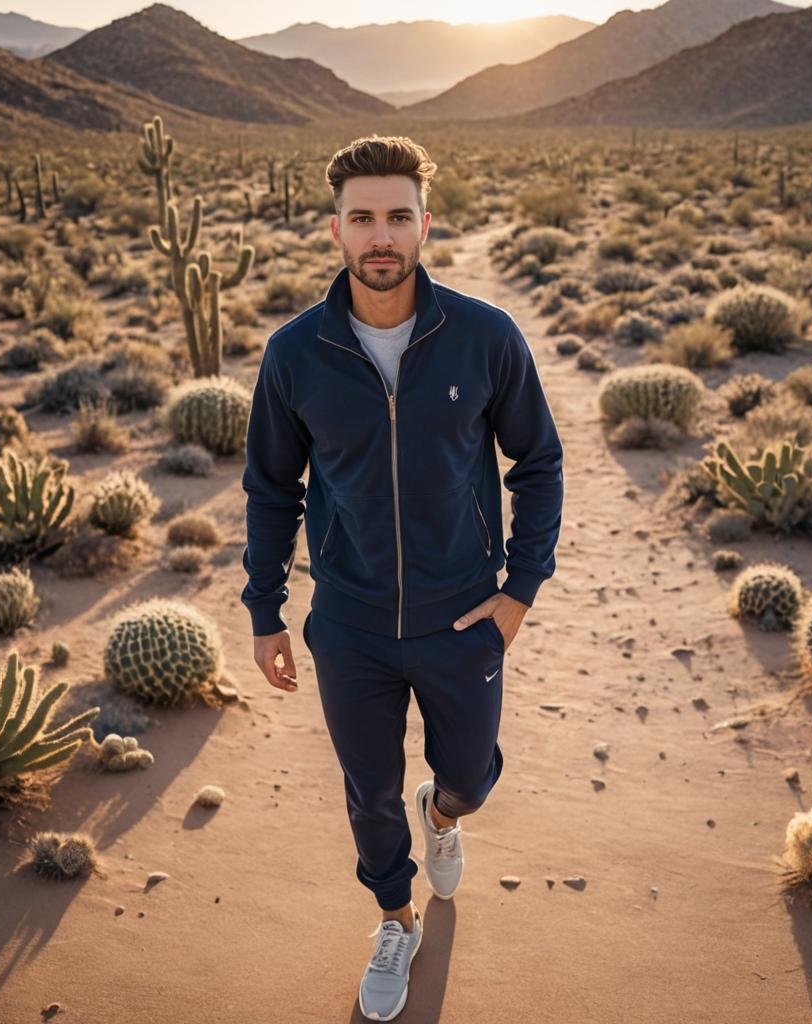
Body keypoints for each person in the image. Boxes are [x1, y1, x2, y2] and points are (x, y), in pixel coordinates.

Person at [241, 135, 564, 1021]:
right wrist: (266, 609)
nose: (379, 235)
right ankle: (394, 917)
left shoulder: (485, 337)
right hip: (348, 620)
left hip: (464, 617)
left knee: (468, 773)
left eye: (396, 216)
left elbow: (538, 462)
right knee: (367, 790)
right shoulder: (295, 352)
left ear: (424, 223)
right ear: (336, 230)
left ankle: (448, 813)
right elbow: (271, 487)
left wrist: (519, 590)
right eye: (361, 218)